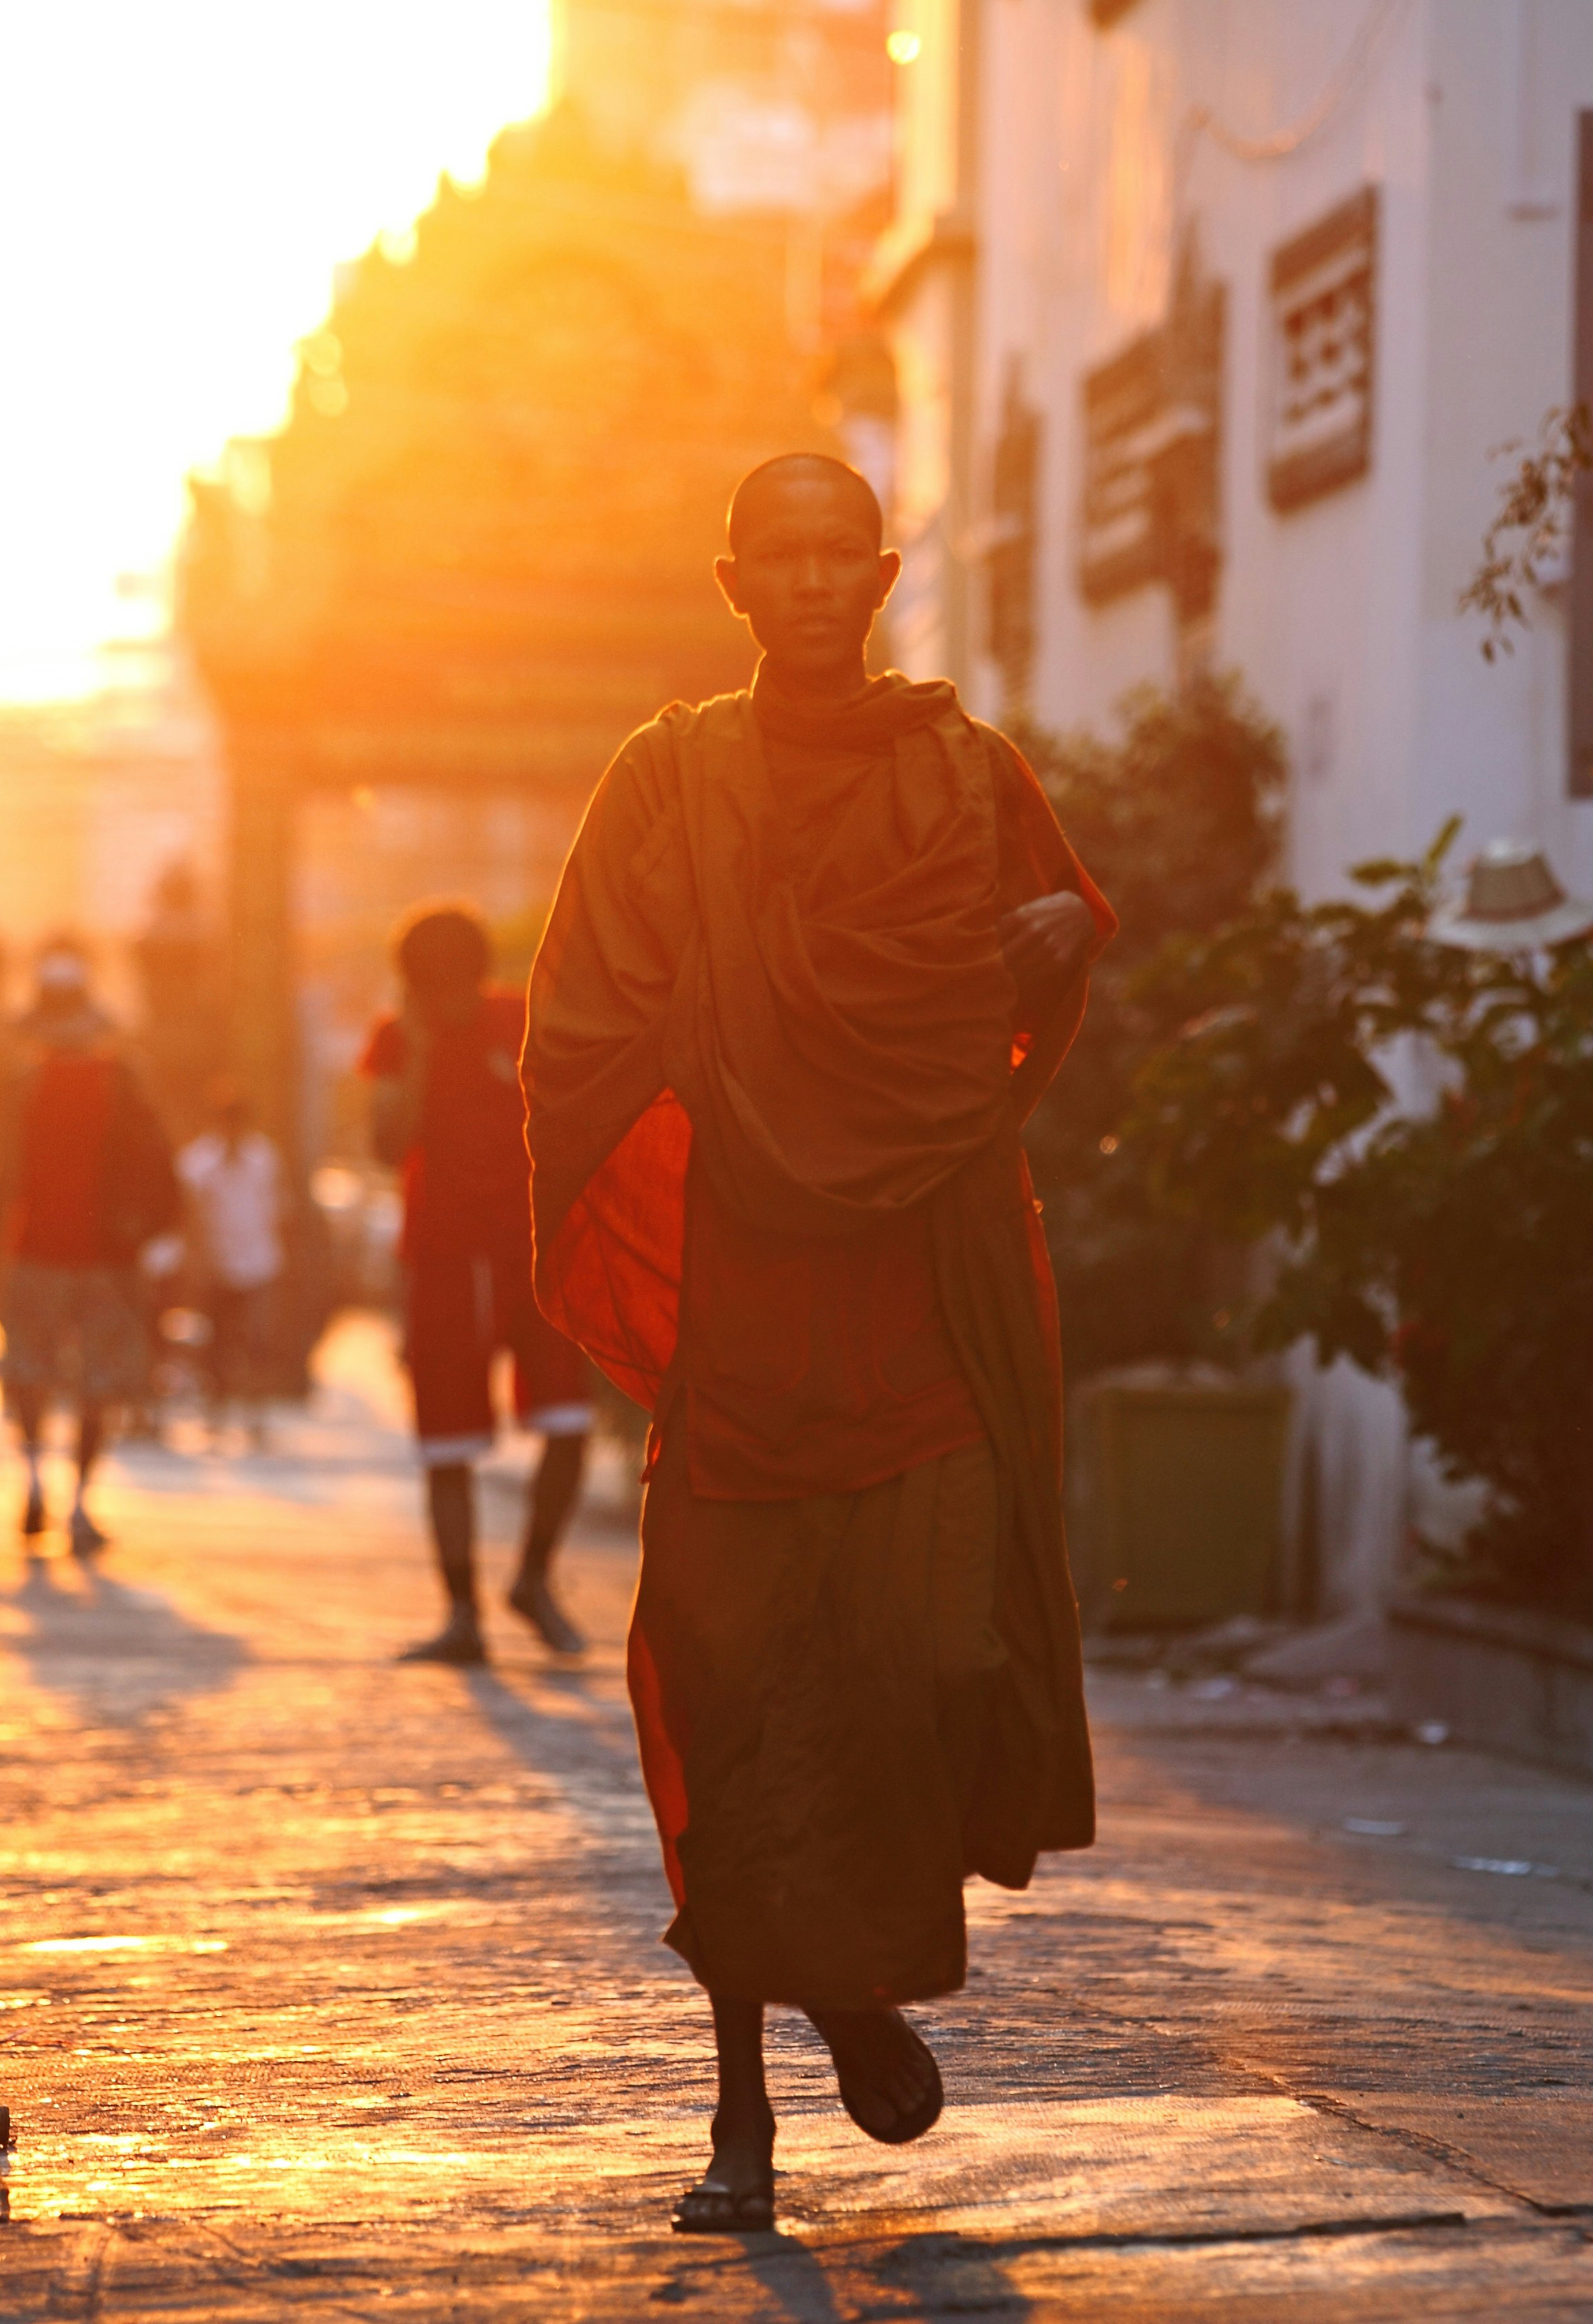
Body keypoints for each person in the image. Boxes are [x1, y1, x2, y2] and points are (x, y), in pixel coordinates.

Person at [522, 453, 1111, 2233]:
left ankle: (849, 1971)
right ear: (730, 578)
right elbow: (580, 1027)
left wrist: (1060, 934)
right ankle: (746, 2110)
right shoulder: (668, 779)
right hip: (755, 1326)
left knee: (934, 1665)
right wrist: (712, 1031)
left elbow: (1042, 967)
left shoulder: (966, 770)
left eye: (830, 548)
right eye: (768, 551)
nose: (802, 576)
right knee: (730, 1700)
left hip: (919, 1308)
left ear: (881, 567)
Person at [364, 902, 592, 1666]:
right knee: (447, 1441)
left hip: (532, 1248)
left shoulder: (523, 1022)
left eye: (457, 992)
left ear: (480, 979)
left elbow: (576, 1111)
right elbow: (386, 1145)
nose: (449, 1007)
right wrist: (423, 1052)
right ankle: (462, 1613)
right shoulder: (398, 1040)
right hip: (442, 1257)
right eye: (432, 996)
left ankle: (533, 1578)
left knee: (567, 1420)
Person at [0, 949, 177, 1556]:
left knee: (29, 1377)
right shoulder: (122, 1077)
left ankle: (34, 1479)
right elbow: (159, 1161)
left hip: (36, 1252)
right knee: (99, 1383)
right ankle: (79, 1504)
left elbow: (4, 1178)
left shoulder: (23, 1083)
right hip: (106, 1257)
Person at [175, 1078, 286, 1452]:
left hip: (257, 1264)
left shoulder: (263, 1158)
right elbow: (193, 1218)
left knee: (257, 1343)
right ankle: (217, 1415)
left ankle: (256, 1416)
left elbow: (273, 1210)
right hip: (217, 1266)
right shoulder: (199, 1161)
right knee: (217, 1344)